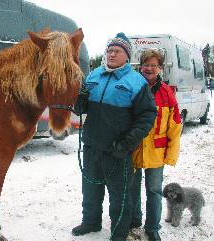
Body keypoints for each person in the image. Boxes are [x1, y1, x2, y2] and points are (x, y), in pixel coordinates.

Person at [72, 33, 157, 241]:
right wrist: (80, 100)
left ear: (126, 56)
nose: (111, 54)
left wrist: (127, 143)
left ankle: (118, 234)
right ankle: (91, 222)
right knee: (90, 189)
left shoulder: (136, 82)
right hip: (92, 146)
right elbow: (79, 108)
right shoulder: (93, 76)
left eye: (116, 51)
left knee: (120, 197)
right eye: (109, 50)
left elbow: (147, 116)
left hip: (117, 150)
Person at [130, 49, 182, 241]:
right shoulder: (132, 87)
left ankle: (152, 227)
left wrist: (171, 154)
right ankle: (134, 220)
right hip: (133, 149)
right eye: (146, 64)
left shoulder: (167, 93)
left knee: (154, 191)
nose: (149, 68)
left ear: (160, 68)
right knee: (132, 188)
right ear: (140, 67)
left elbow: (175, 126)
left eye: (154, 65)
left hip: (156, 153)